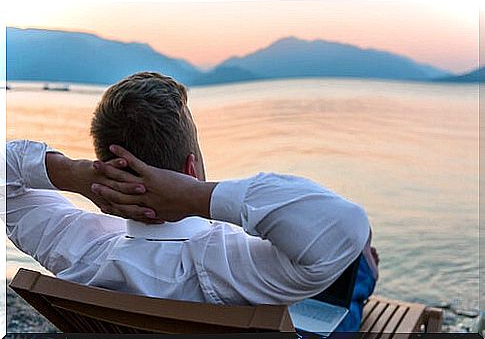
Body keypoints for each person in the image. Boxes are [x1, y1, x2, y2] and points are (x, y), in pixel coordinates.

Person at [6, 72, 376, 331]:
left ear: (104, 168)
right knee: (357, 262)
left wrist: (75, 175)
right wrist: (196, 196)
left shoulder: (79, 251)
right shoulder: (234, 269)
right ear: (190, 166)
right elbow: (347, 227)